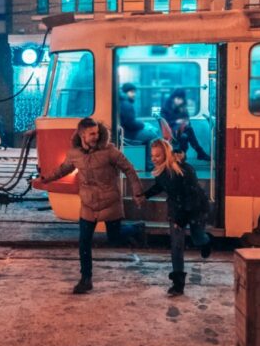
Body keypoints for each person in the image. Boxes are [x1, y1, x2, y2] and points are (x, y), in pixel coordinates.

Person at [40, 117, 144, 294]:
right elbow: (63, 169)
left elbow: (129, 168)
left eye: (97, 132)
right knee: (84, 243)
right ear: (82, 135)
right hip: (88, 204)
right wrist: (44, 179)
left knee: (114, 238)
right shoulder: (75, 153)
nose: (96, 136)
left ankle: (136, 229)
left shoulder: (109, 151)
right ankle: (85, 279)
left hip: (109, 202)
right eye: (92, 134)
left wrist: (137, 191)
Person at [142, 138, 211, 297]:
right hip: (176, 209)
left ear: (166, 155)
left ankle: (206, 241)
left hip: (195, 209)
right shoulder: (160, 173)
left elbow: (191, 197)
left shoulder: (184, 170)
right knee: (176, 246)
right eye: (152, 155)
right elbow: (160, 186)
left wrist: (180, 219)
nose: (153, 159)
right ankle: (178, 284)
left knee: (197, 237)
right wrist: (145, 195)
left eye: (157, 156)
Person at [160, 88, 210, 161]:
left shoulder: (181, 105)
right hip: (171, 131)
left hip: (180, 129)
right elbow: (166, 123)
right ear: (173, 97)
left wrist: (183, 120)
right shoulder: (167, 107)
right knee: (188, 132)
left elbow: (186, 118)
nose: (180, 100)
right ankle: (200, 152)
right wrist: (178, 122)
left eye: (181, 98)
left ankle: (199, 152)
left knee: (188, 130)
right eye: (178, 98)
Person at [119, 83, 157, 171]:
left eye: (134, 92)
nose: (134, 94)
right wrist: (142, 125)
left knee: (149, 128)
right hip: (128, 135)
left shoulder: (122, 103)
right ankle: (150, 165)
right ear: (125, 93)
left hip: (125, 132)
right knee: (153, 136)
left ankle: (147, 162)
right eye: (131, 92)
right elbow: (131, 124)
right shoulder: (126, 105)